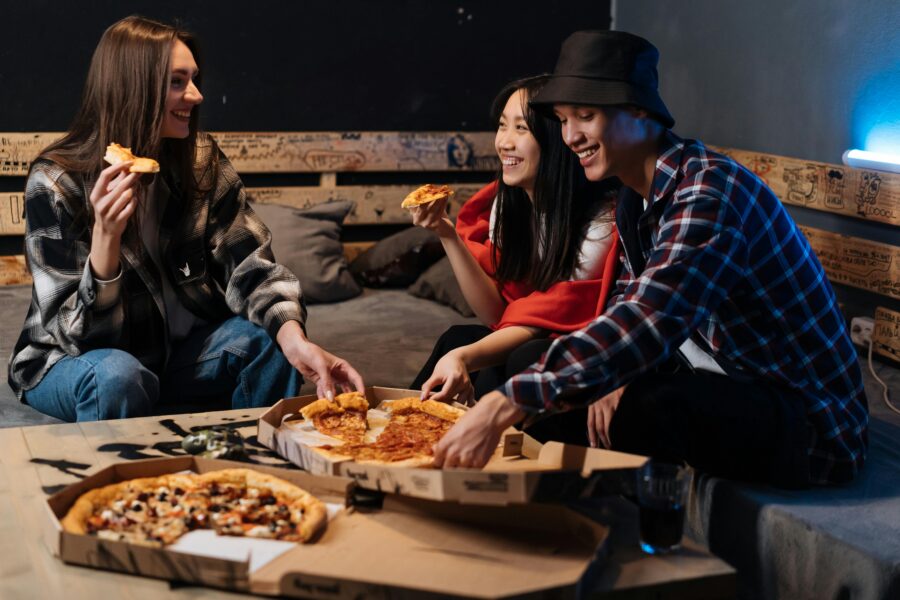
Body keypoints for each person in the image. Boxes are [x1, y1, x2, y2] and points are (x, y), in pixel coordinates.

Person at [432, 30, 868, 488]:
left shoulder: (709, 191)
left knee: (646, 406)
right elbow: (625, 306)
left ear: (639, 111)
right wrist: (615, 374)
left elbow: (649, 318)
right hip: (718, 380)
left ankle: (599, 529)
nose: (571, 135)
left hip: (807, 422)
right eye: (562, 119)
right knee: (535, 361)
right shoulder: (634, 200)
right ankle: (529, 505)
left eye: (586, 115)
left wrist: (503, 405)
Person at [7, 15, 363, 422]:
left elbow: (249, 265)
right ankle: (130, 484)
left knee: (271, 344)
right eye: (177, 82)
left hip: (173, 356)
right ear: (133, 88)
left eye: (194, 79)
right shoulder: (56, 182)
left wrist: (294, 339)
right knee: (118, 377)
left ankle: (252, 472)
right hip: (72, 359)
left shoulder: (201, 160)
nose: (195, 96)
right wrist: (106, 239)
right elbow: (76, 337)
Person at [409, 75, 620, 445]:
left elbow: (546, 323)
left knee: (517, 358)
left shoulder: (602, 223)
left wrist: (466, 359)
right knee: (457, 337)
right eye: (502, 126)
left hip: (598, 354)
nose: (504, 142)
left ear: (558, 140)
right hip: (543, 341)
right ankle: (403, 431)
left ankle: (473, 458)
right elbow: (496, 316)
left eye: (521, 128)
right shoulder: (508, 206)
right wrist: (446, 232)